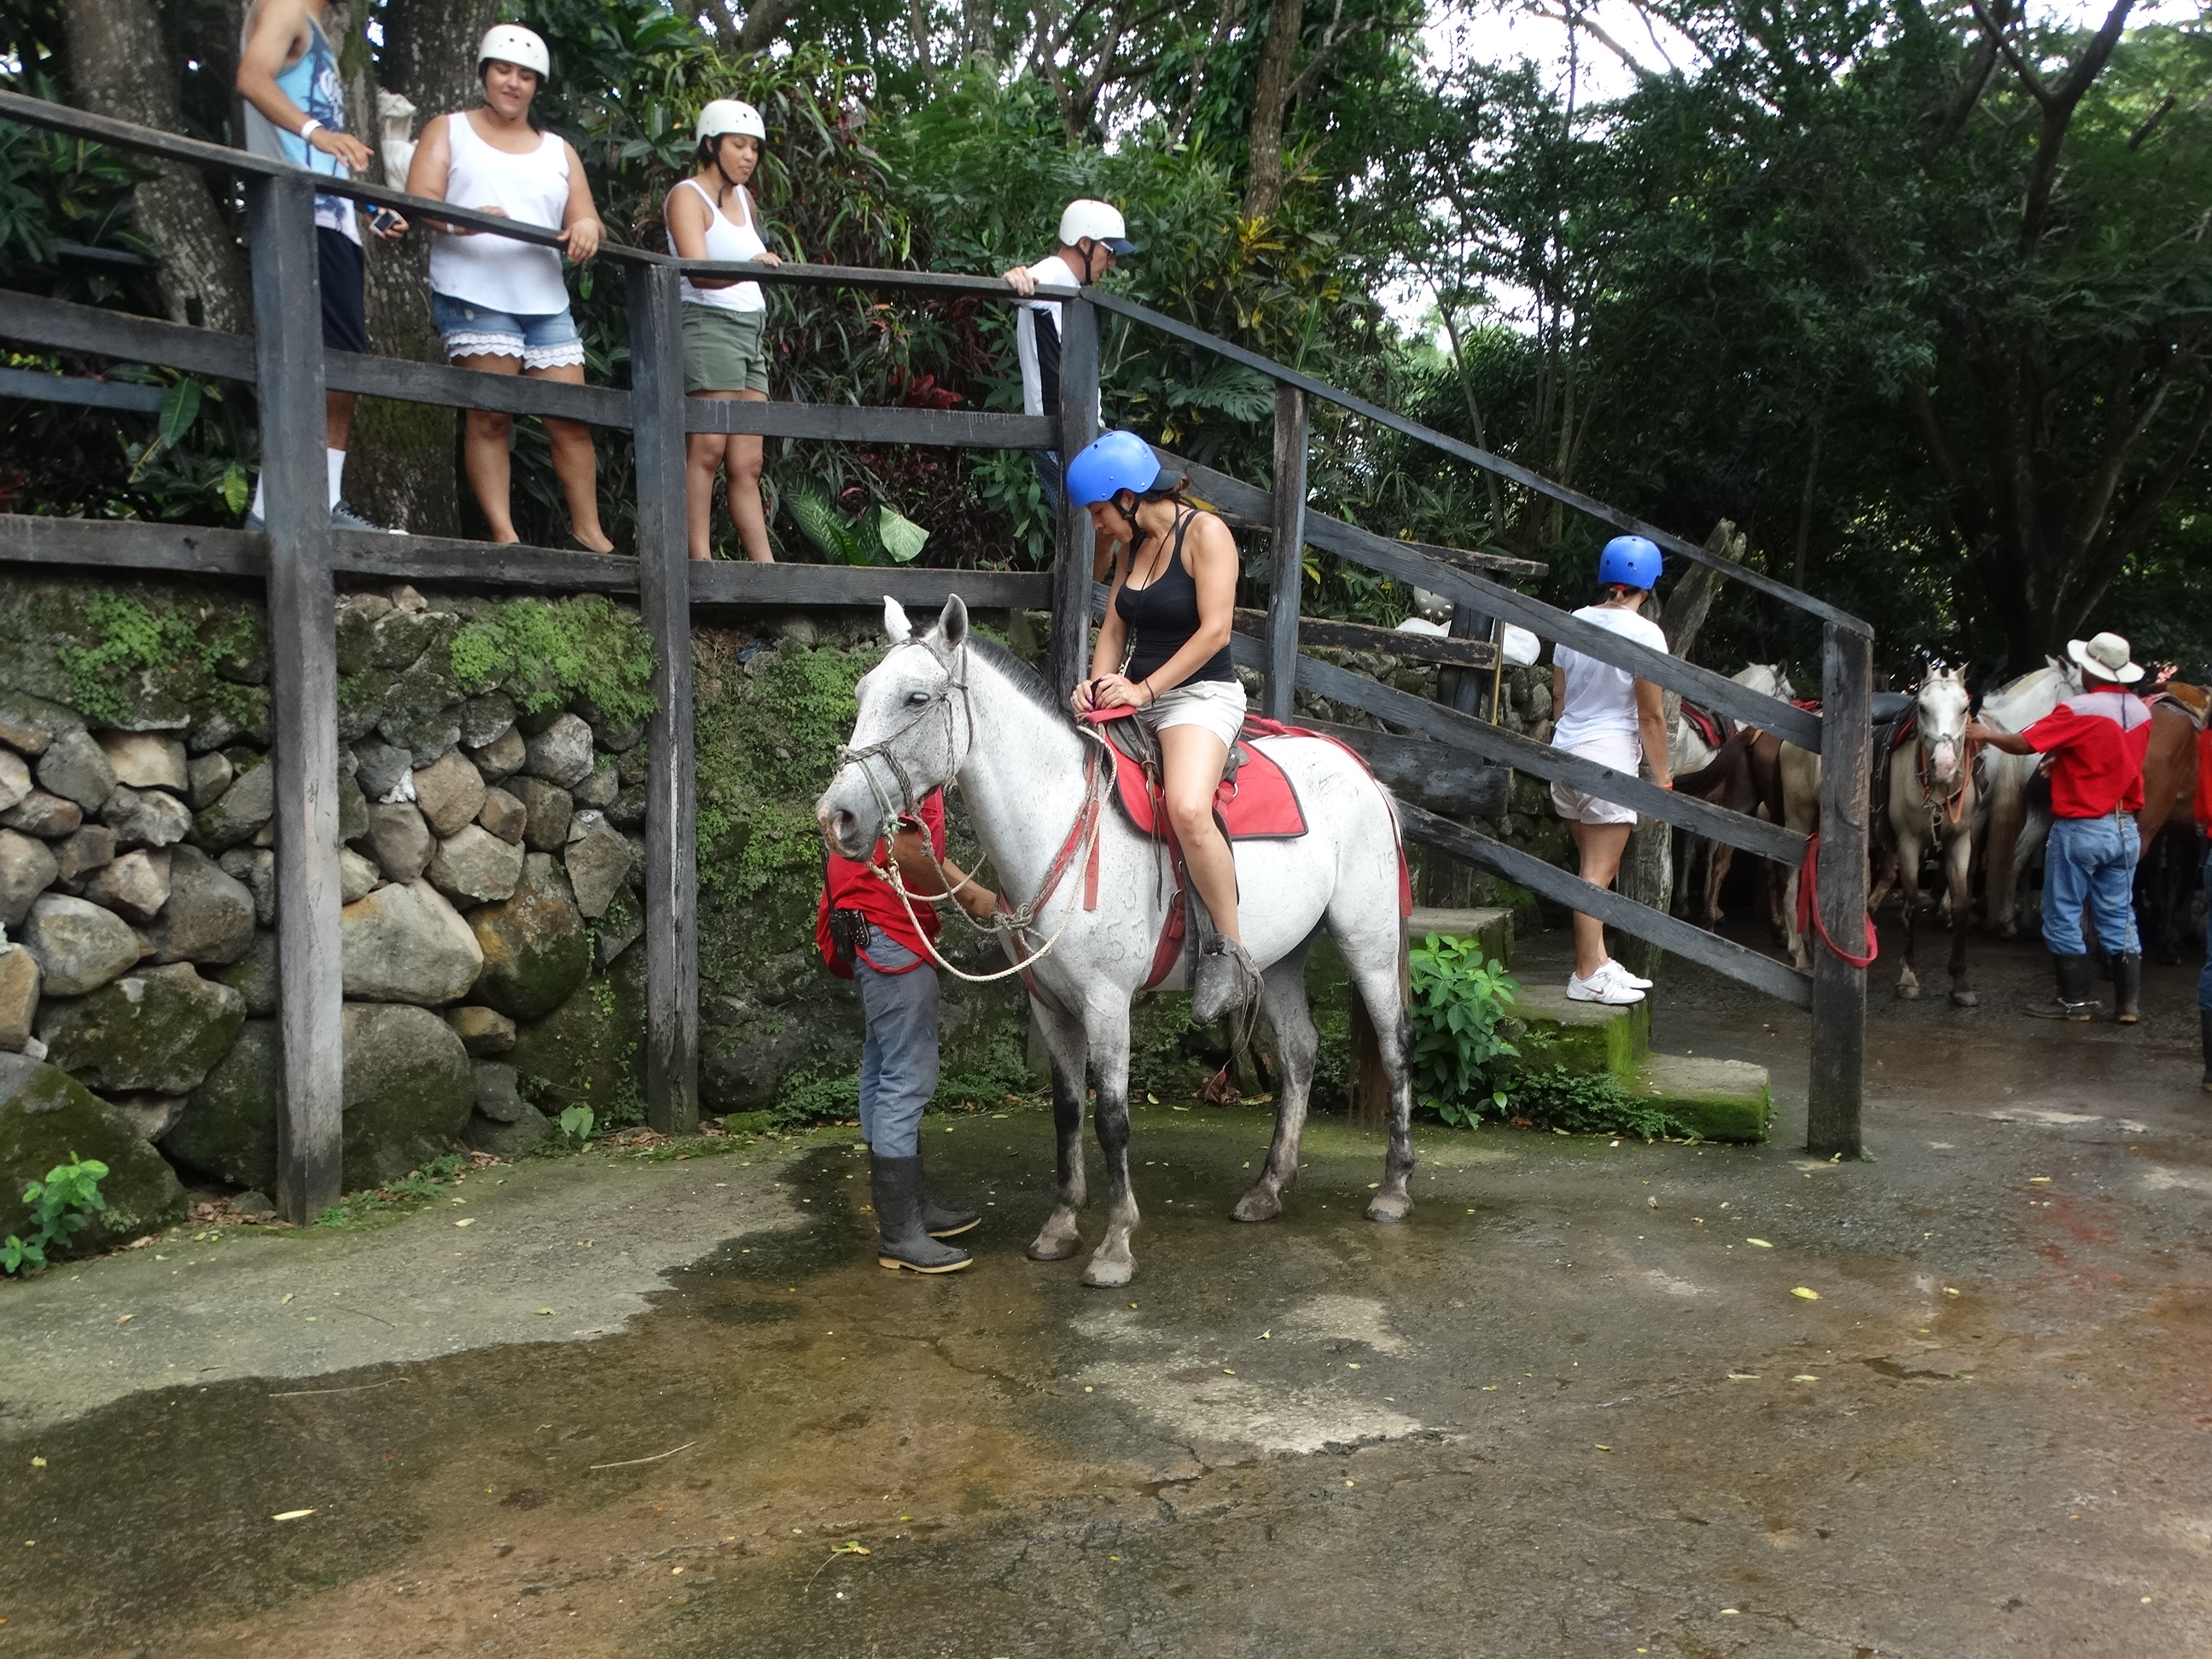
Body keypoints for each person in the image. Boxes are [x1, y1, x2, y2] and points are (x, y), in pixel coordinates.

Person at [1065, 428, 1258, 1024]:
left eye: (1098, 511)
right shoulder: (1132, 547)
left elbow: (1215, 632)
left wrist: (1144, 689)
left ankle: (1232, 953)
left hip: (1200, 696)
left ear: (1127, 497)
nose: (1096, 524)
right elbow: (1114, 629)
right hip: (1137, 697)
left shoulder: (1206, 534)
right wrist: (1097, 685)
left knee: (1189, 809)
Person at [405, 26, 614, 554]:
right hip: (474, 292)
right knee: (492, 416)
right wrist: (462, 220)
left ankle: (589, 533)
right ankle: (505, 537)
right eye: (503, 70)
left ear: (537, 86)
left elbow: (585, 214)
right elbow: (420, 198)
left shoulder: (559, 150)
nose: (513, 83)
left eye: (525, 75)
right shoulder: (448, 129)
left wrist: (587, 227)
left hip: (544, 298)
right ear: (484, 73)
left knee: (571, 419)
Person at [236, 0, 408, 533]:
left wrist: (367, 205)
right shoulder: (285, 6)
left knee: (336, 366)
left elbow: (322, 144)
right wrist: (317, 132)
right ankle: (311, 507)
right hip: (300, 216)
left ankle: (278, 507)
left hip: (331, 217)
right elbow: (251, 77)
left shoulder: (317, 34)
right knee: (325, 367)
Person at [817, 789, 999, 1273]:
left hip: (865, 924)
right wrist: (976, 898)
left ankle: (909, 1210)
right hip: (887, 928)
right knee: (906, 1075)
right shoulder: (908, 768)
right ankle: (900, 1234)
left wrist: (974, 894)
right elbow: (906, 850)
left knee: (883, 1067)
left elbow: (909, 848)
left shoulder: (877, 765)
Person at [1968, 631, 2152, 1022]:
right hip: (2125, 828)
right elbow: (2111, 757)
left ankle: (2076, 1002)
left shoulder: (2080, 708)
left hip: (2082, 828)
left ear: (2088, 670)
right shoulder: (2141, 711)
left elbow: (2024, 744)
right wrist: (2066, 762)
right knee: (2119, 914)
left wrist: (1987, 734)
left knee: (2063, 912)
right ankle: (2128, 1006)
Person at [1548, 535, 1674, 1004]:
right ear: (1649, 584)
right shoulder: (1646, 634)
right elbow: (1651, 717)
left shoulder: (1573, 621)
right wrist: (1662, 780)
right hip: (1608, 761)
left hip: (1564, 755)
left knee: (1592, 868)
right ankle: (1586, 975)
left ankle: (1599, 960)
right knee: (1598, 875)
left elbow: (1559, 697)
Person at [667, 98, 781, 563]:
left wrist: (752, 271)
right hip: (709, 325)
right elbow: (696, 271)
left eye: (754, 147)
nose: (748, 156)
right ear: (711, 144)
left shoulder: (745, 200)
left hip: (751, 330)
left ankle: (765, 571)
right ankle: (699, 562)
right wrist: (750, 266)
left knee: (748, 461)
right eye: (738, 145)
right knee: (708, 447)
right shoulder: (686, 196)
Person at [1000, 200, 1133, 521]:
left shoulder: (1073, 287)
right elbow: (1022, 288)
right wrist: (1018, 276)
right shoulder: (1057, 272)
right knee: (1101, 523)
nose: (1111, 262)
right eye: (1108, 252)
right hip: (1059, 431)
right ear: (1084, 244)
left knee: (1092, 524)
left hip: (1071, 431)